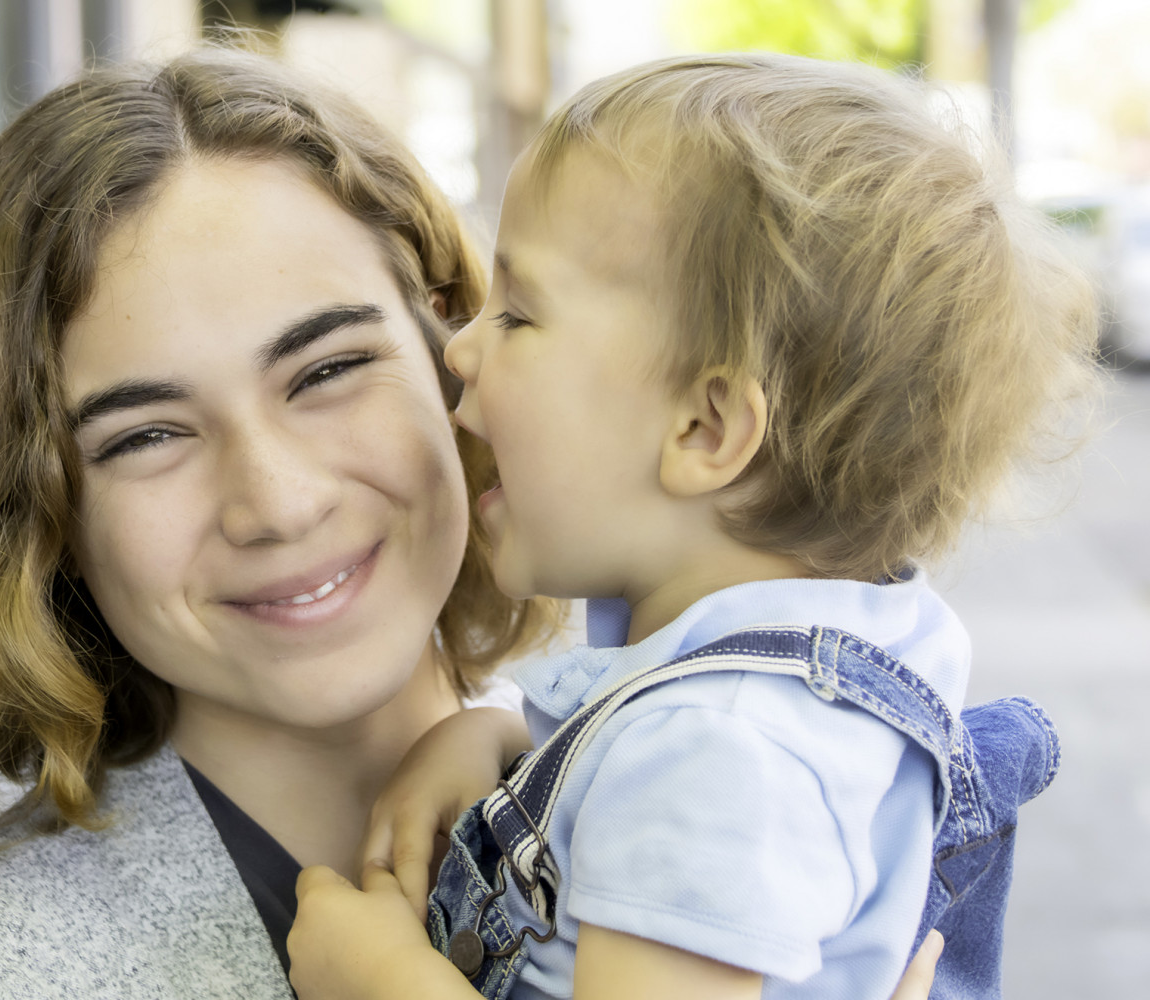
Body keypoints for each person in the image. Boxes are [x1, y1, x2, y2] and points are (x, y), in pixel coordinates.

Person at [0, 47, 942, 999]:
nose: (279, 501)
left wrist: (506, 739)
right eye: (145, 435)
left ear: (463, 350)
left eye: (329, 368)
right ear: (38, 511)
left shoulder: (723, 751)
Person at [289, 53, 1099, 1000]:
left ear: (705, 429)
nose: (461, 348)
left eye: (519, 314)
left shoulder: (719, 749)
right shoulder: (804, 676)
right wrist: (511, 741)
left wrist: (380, 980)